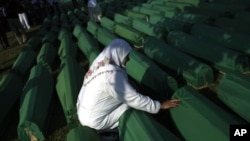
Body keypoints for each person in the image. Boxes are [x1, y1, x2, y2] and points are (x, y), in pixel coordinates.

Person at [76, 38, 180, 131]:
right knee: (129, 107)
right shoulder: (110, 76)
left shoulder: (101, 61)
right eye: (127, 56)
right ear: (119, 53)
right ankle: (109, 135)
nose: (129, 59)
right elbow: (133, 99)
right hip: (93, 120)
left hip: (82, 110)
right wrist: (159, 105)